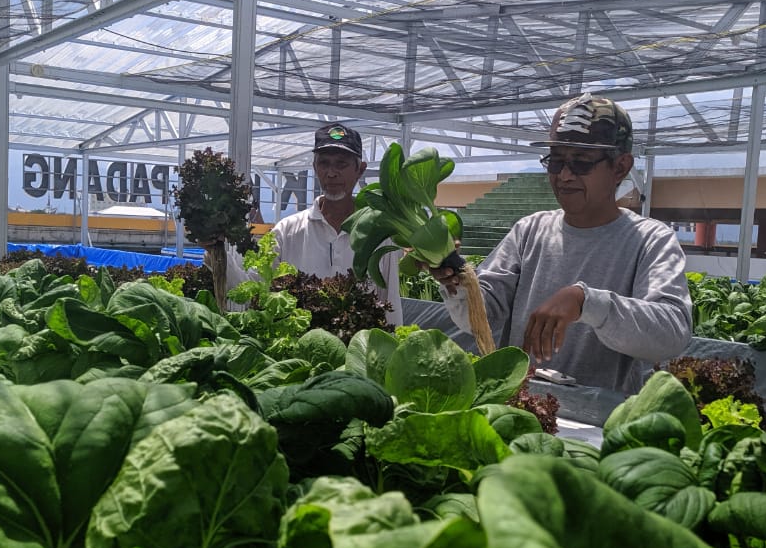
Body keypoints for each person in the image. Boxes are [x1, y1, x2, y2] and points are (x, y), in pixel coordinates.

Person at [432, 94, 691, 393]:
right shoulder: (530, 230)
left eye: (580, 163)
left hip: (598, 426)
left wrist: (587, 302)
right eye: (556, 161)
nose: (564, 175)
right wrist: (456, 281)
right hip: (518, 410)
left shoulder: (650, 240)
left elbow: (672, 332)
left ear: (620, 167)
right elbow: (481, 318)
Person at [223, 122, 403, 326]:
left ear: (360, 170)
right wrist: (216, 251)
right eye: (324, 163)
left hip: (359, 352)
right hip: (299, 352)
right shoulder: (287, 231)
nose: (331, 173)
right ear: (315, 168)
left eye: (341, 164)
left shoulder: (379, 235)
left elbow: (391, 303)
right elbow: (253, 289)